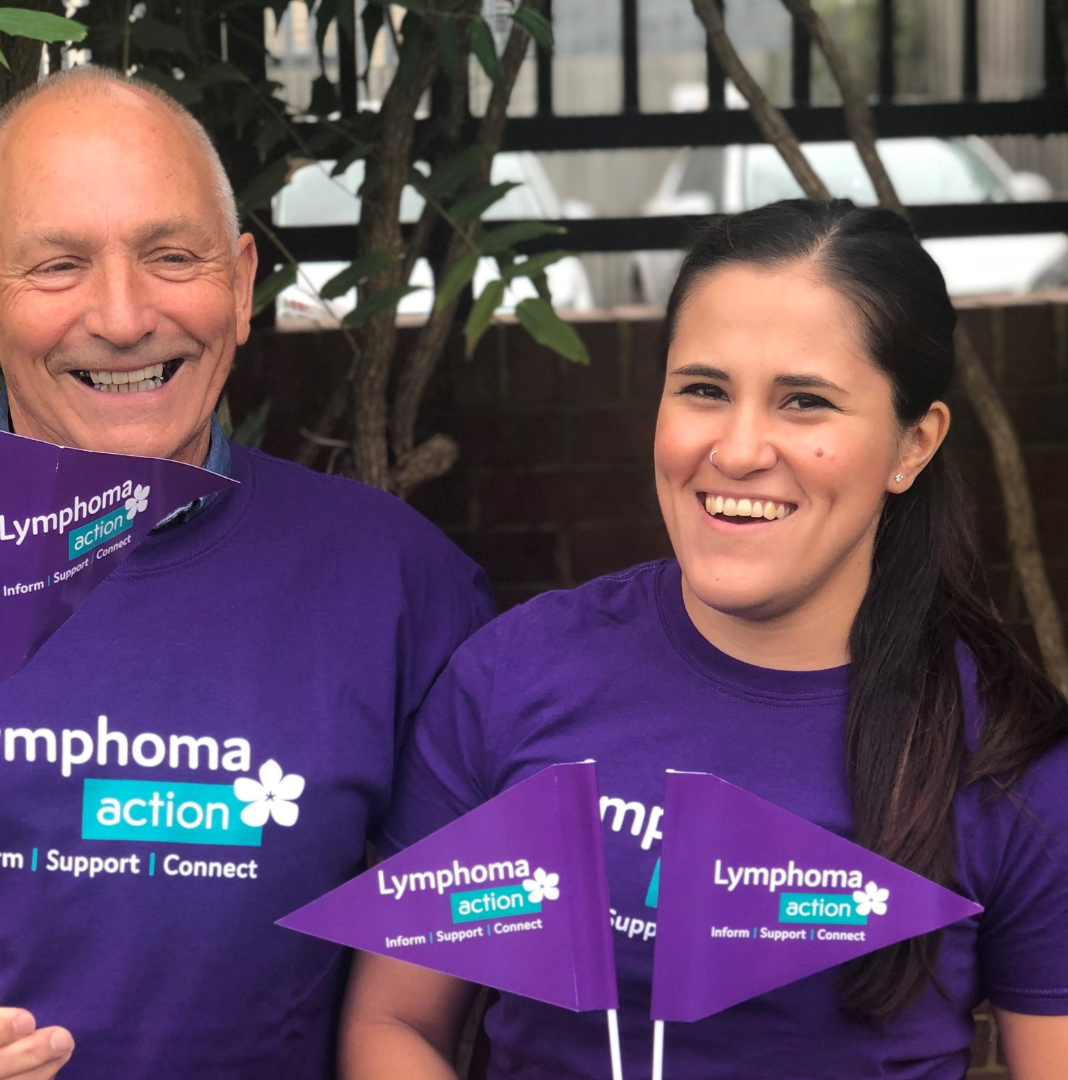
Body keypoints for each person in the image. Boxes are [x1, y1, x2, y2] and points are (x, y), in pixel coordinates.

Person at [0, 67, 495, 1080]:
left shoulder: (400, 584)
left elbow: (422, 1012)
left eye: (170, 255)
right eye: (58, 266)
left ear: (242, 286)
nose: (120, 317)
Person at [340, 201, 1068, 1079]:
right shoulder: (517, 675)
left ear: (911, 445)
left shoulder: (1009, 759)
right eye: (703, 390)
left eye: (805, 402)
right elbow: (395, 1023)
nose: (737, 448)